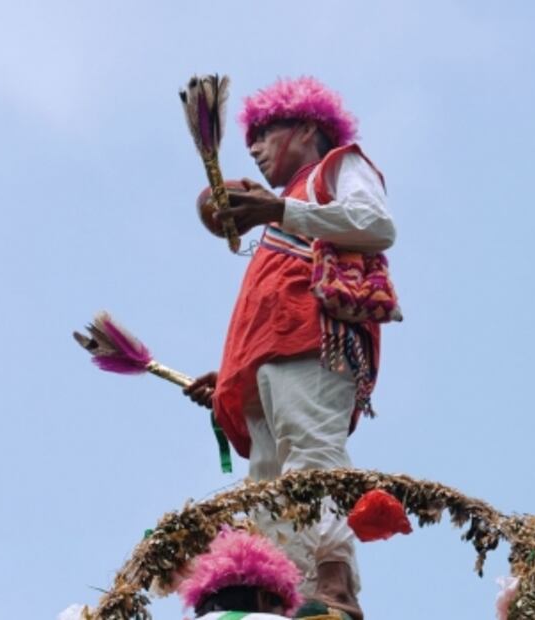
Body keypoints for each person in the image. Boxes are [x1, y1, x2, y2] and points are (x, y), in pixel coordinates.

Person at [184, 76, 395, 620]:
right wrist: (230, 375)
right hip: (268, 358)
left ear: (306, 129)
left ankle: (335, 588)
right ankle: (290, 598)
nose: (252, 148)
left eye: (263, 133)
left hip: (313, 343)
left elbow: (376, 225)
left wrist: (278, 214)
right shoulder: (282, 209)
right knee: (270, 486)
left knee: (312, 458)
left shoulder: (337, 168)